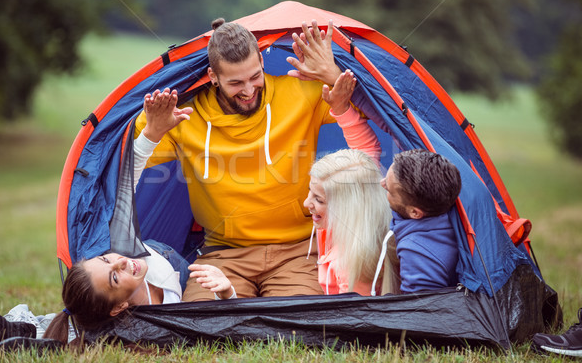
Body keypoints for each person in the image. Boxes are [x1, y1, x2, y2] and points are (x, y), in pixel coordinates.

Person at [133, 18, 343, 301]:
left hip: (297, 250)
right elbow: (124, 171)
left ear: (261, 60)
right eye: (235, 82)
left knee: (299, 325)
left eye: (254, 76)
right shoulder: (183, 116)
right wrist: (152, 132)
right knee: (202, 327)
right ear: (213, 76)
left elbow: (366, 112)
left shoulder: (300, 92)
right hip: (223, 254)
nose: (247, 90)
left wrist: (332, 74)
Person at [303, 70, 398, 296]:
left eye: (319, 199)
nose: (307, 203)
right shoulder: (350, 222)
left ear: (347, 208)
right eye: (310, 193)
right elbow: (365, 162)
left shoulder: (350, 267)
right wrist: (341, 108)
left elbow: (350, 321)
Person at [43, 240, 235, 344]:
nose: (121, 261)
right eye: (115, 278)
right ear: (119, 307)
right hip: (179, 276)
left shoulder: (127, 254)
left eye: (105, 259)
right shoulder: (145, 329)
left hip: (157, 252)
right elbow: (217, 324)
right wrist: (227, 293)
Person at [381, 149, 461, 293]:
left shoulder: (417, 252)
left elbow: (420, 309)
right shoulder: (447, 198)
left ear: (415, 213)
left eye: (389, 189)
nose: (382, 184)